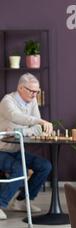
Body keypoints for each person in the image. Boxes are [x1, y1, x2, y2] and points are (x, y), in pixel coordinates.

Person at [0, 73, 53, 220]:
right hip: (1, 150)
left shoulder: (32, 100)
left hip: (17, 149)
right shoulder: (7, 101)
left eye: (37, 91)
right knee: (20, 169)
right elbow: (16, 117)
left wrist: (19, 132)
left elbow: (36, 127)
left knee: (45, 166)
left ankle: (21, 201)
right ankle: (0, 203)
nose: (35, 94)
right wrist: (39, 122)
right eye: (32, 91)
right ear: (21, 88)